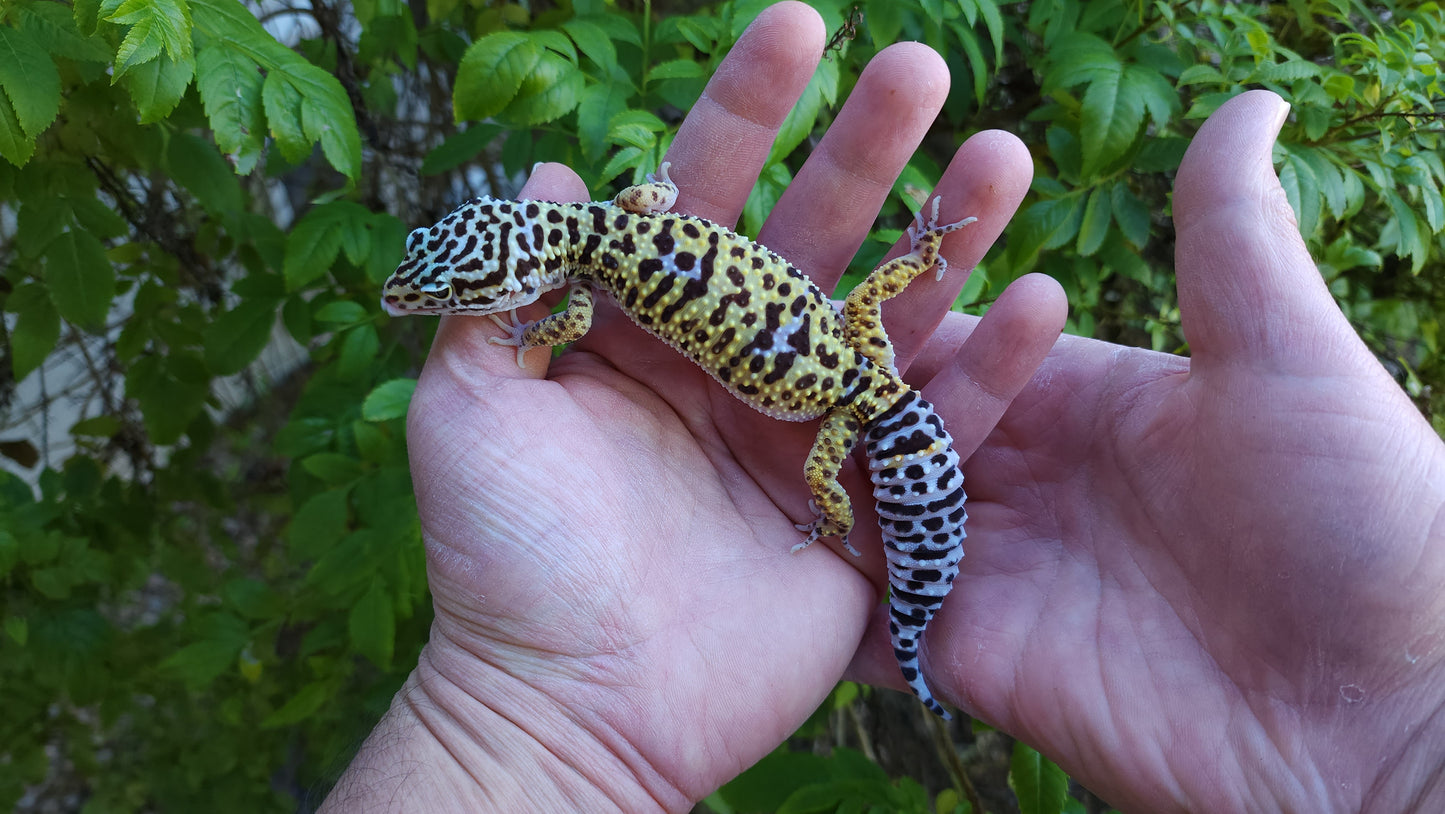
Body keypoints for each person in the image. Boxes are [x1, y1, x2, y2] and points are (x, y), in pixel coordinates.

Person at [321, 3, 1445, 811]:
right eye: (443, 291)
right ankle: (894, 585)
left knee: (838, 473)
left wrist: (537, 327)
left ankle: (898, 606)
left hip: (828, 392)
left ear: (517, 270)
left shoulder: (577, 296)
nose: (428, 303)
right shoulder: (633, 214)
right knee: (860, 372)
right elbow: (660, 196)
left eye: (445, 289)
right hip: (837, 356)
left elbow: (567, 323)